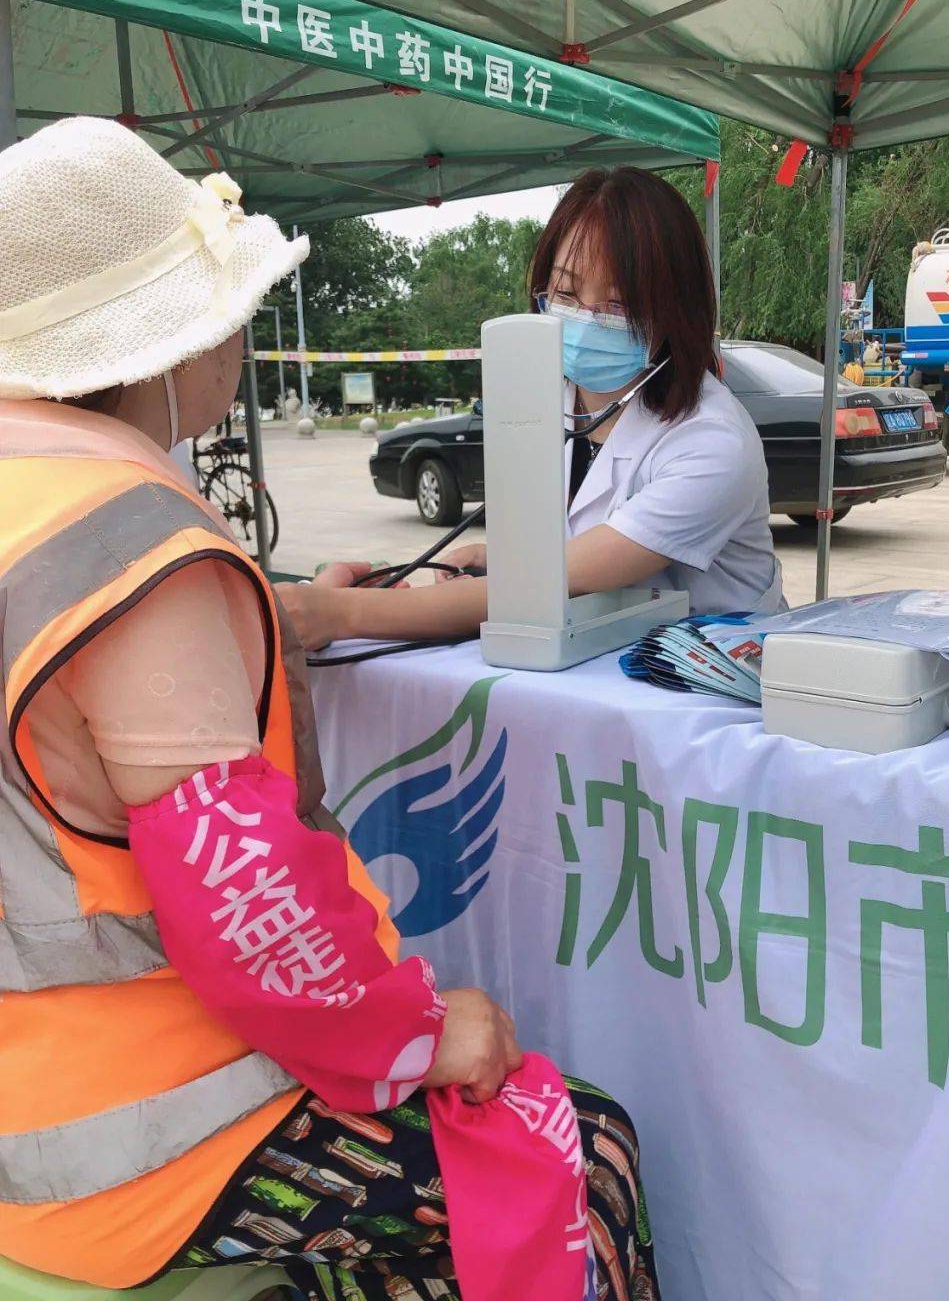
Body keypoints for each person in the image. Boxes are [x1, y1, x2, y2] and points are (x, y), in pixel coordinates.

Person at [0, 119, 657, 1301]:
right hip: (119, 1131)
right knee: (582, 1150)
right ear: (166, 346)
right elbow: (241, 896)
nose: (243, 338)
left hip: (34, 1083)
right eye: (233, 308)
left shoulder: (25, 495)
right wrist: (418, 1032)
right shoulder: (127, 537)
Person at [279, 166, 782, 652]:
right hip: (596, 663)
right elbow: (545, 565)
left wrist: (337, 614)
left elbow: (552, 582)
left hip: (711, 688)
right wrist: (492, 561)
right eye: (565, 291)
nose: (584, 319)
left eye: (618, 304)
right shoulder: (550, 400)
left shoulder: (712, 442)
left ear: (676, 310)